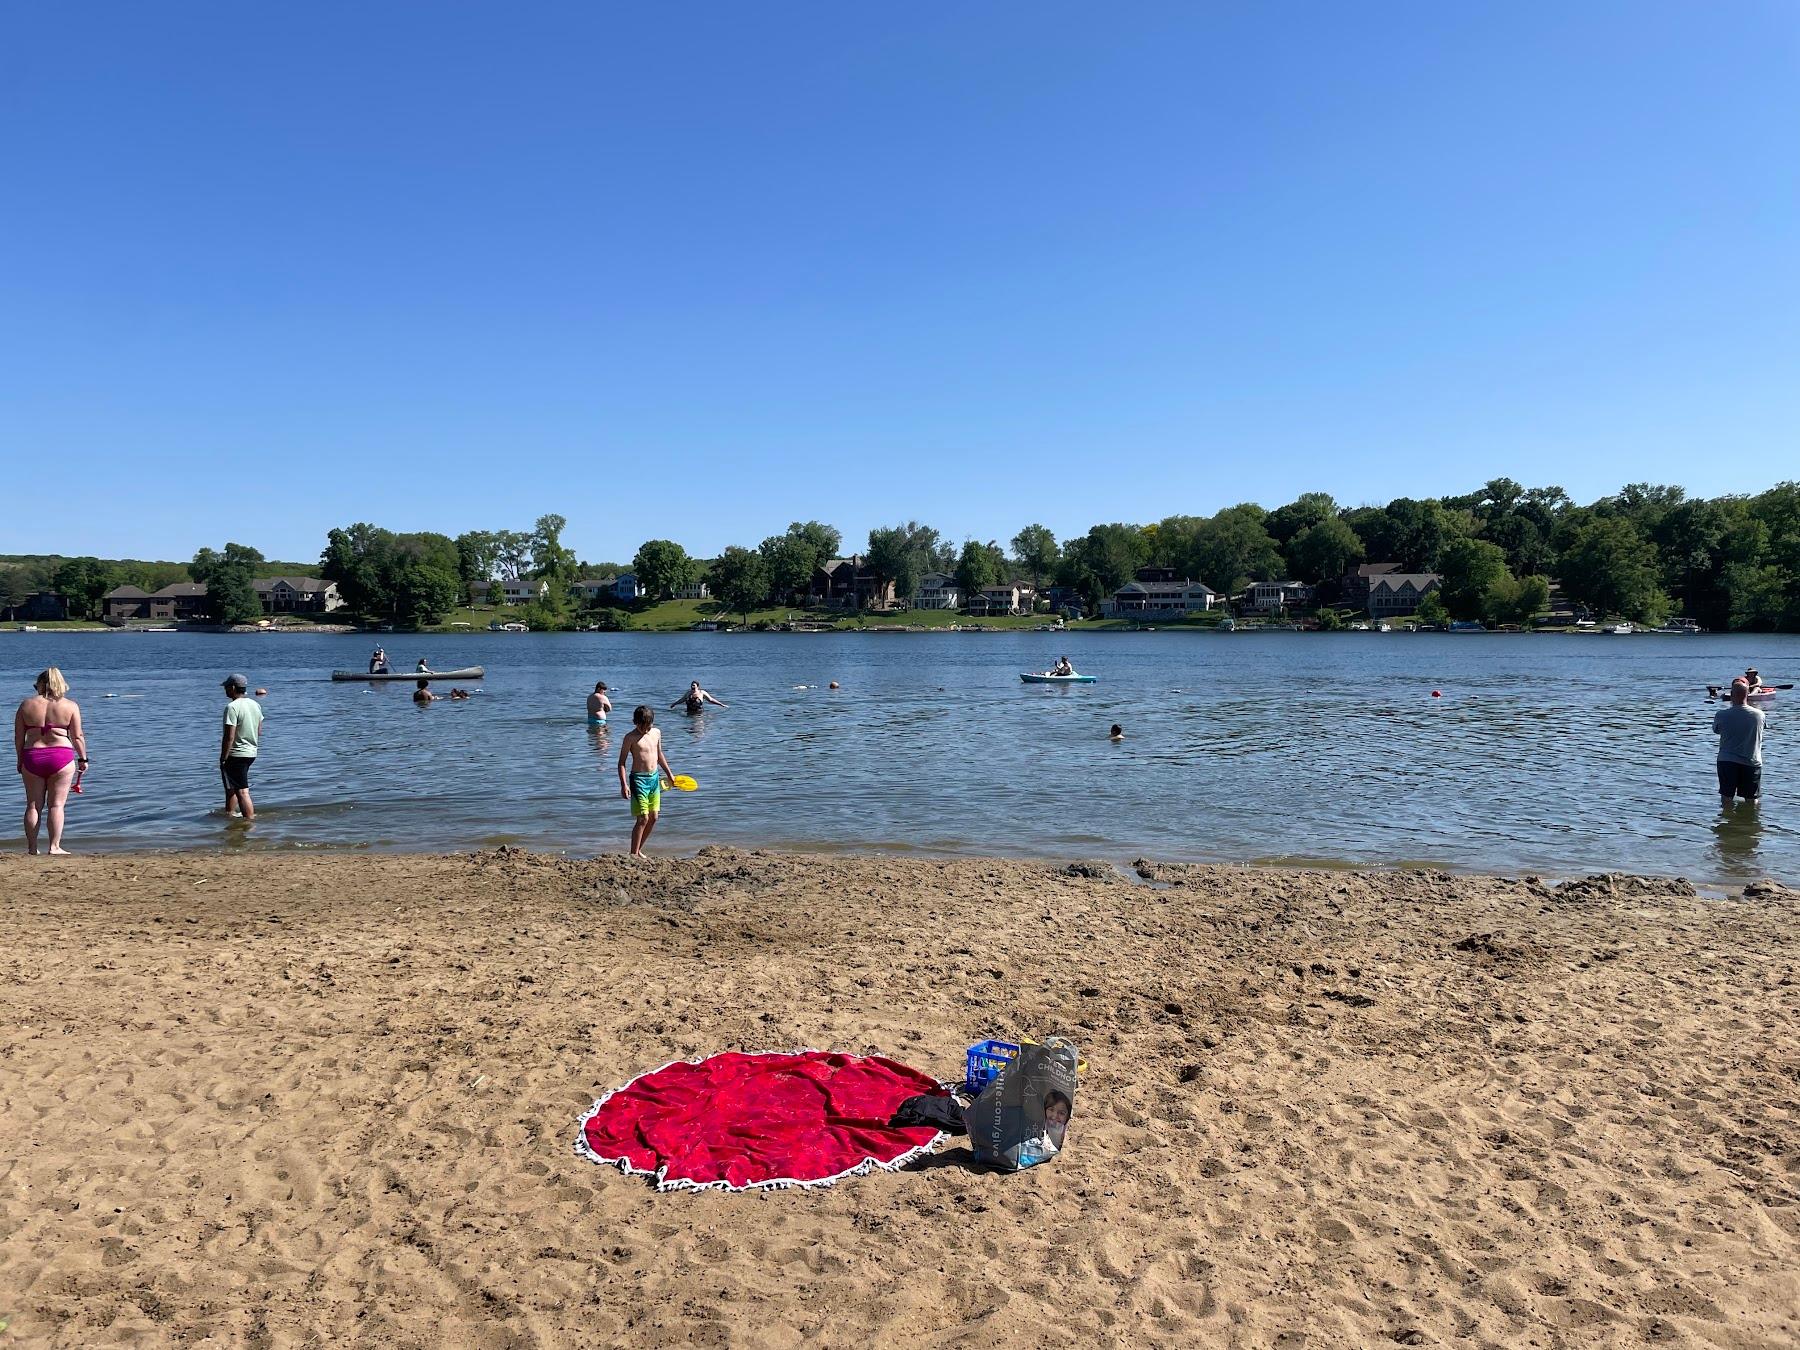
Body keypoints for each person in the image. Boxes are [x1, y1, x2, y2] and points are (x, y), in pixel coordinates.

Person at [14, 667, 86, 855]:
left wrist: (20, 760)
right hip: (60, 757)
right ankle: (54, 847)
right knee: (56, 805)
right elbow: (77, 736)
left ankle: (32, 848)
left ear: (40, 684)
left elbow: (18, 738)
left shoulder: (26, 705)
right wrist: (83, 759)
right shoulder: (70, 706)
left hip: (32, 756)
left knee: (33, 805)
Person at [618, 705, 677, 856]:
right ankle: (633, 854)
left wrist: (669, 774)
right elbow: (621, 763)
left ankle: (638, 850)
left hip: (654, 778)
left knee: (654, 817)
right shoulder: (630, 738)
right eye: (642, 726)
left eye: (648, 726)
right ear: (635, 722)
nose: (645, 730)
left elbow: (659, 754)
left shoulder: (656, 733)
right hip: (638, 780)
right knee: (643, 818)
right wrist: (624, 785)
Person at [219, 674, 264, 821]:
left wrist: (223, 757)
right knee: (232, 787)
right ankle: (230, 816)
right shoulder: (255, 704)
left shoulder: (232, 707)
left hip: (236, 754)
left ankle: (249, 821)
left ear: (232, 688)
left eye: (226, 687)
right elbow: (259, 731)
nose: (225, 690)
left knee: (242, 791)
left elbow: (229, 737)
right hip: (251, 752)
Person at [1713, 680, 1765, 808]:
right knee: (1751, 800)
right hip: (1751, 761)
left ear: (1731, 694)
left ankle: (1728, 822)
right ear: (1748, 694)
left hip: (1727, 761)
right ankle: (1751, 824)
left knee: (1726, 798)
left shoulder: (1722, 715)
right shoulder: (1759, 715)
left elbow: (1716, 730)